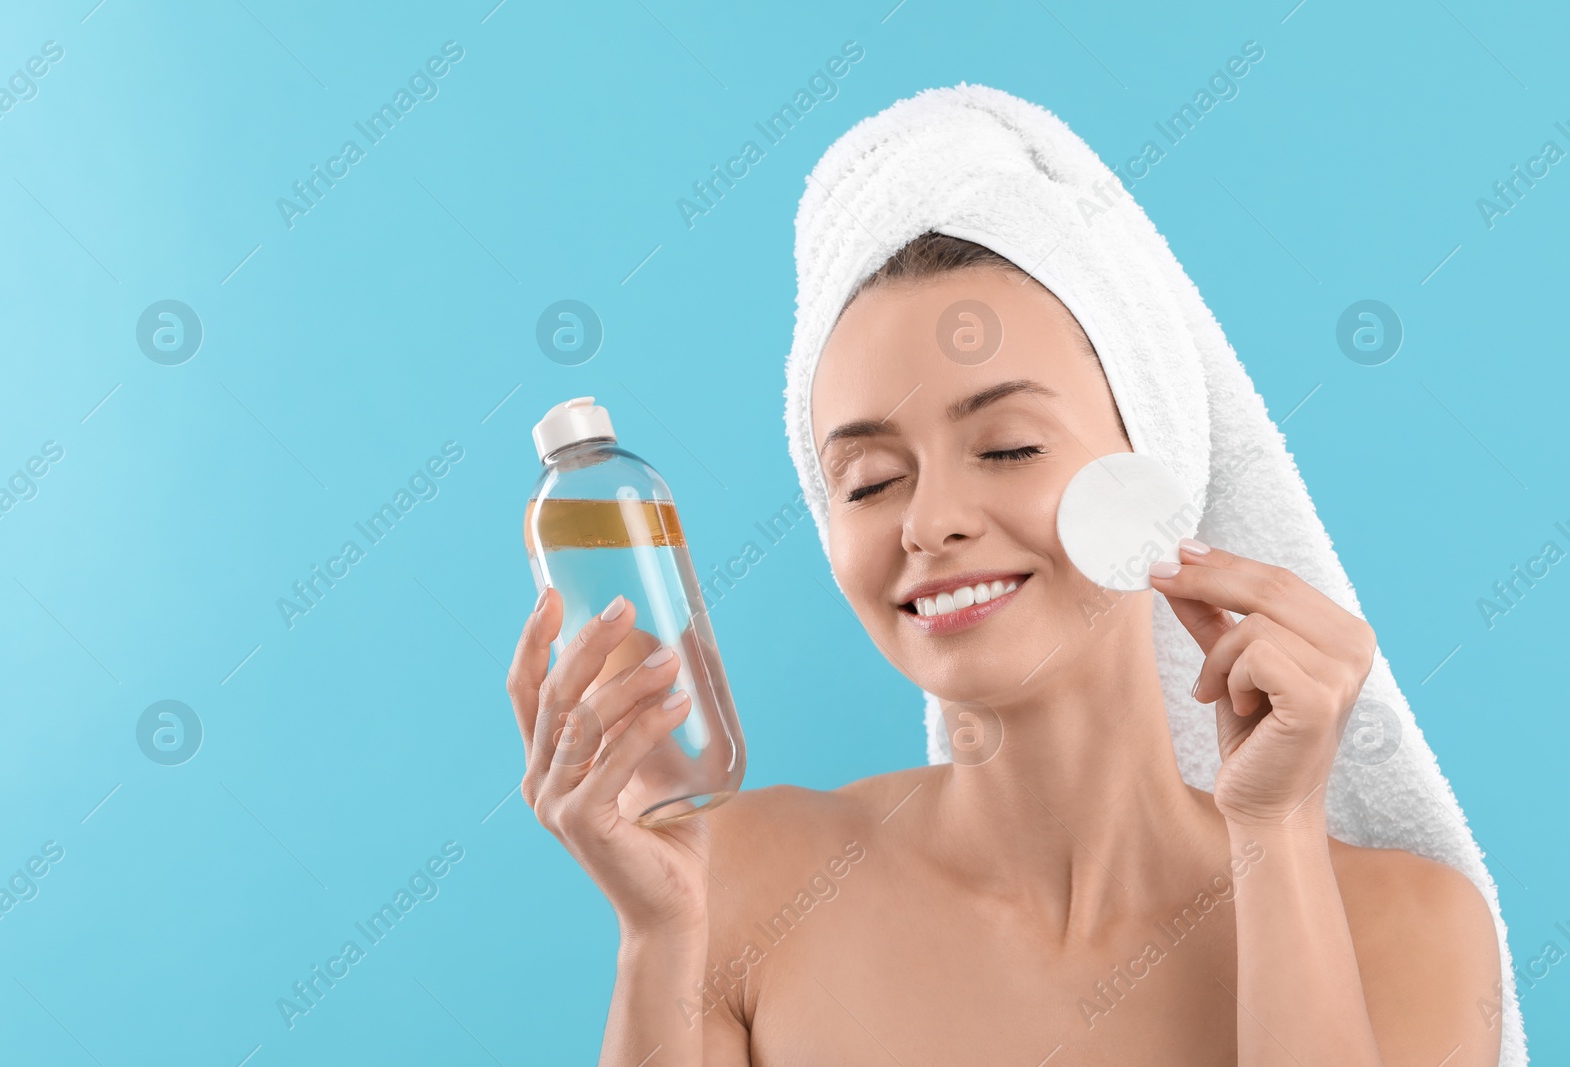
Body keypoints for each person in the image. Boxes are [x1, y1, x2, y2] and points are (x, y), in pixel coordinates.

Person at [510, 81, 1515, 1063]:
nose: (931, 520)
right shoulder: (738, 884)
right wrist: (657, 939)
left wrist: (1278, 836)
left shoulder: (1406, 927)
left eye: (1006, 448)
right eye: (868, 480)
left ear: (1150, 470)